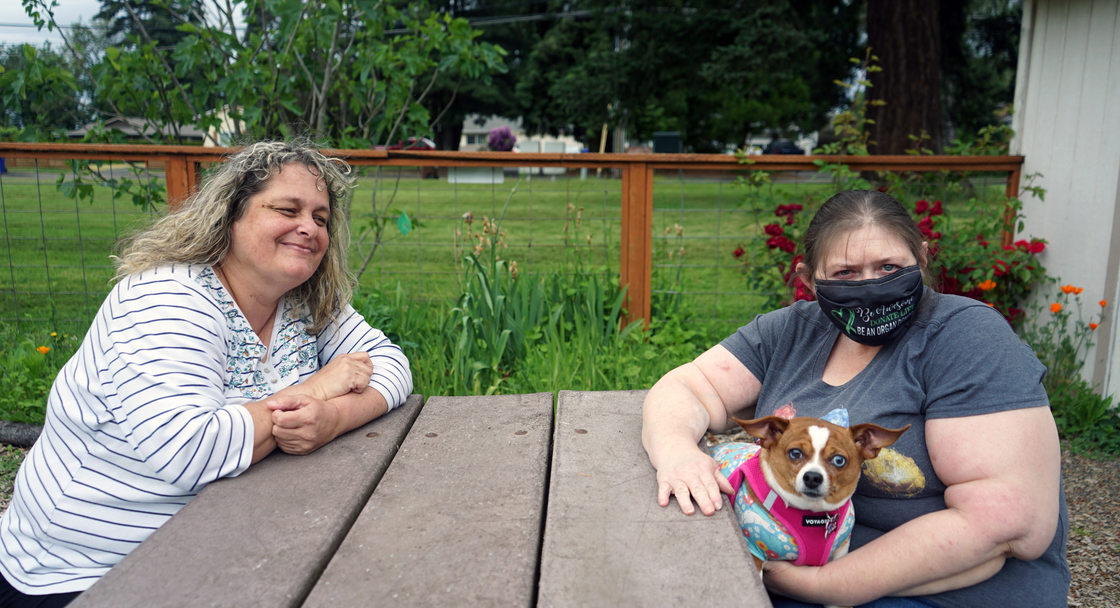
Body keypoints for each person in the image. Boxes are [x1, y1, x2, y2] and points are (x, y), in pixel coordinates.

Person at [0, 140, 413, 606]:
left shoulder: (304, 300)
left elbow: (392, 365)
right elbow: (190, 450)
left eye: (320, 217)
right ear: (230, 216)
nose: (308, 228)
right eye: (288, 209)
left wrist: (332, 419)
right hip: (88, 571)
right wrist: (317, 388)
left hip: (221, 545)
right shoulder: (170, 299)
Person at [641, 190, 1068, 607]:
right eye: (846, 273)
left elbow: (1008, 523)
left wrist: (824, 585)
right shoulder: (794, 330)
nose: (870, 287)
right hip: (788, 564)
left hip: (930, 594)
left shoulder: (967, 340)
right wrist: (677, 452)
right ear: (808, 279)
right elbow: (688, 387)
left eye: (888, 267)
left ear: (920, 259)